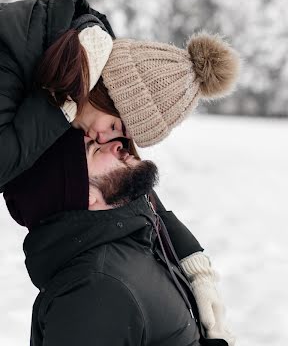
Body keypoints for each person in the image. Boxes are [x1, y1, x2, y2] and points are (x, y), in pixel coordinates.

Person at [0, 0, 240, 343]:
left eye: (121, 141)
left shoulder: (83, 68)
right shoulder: (16, 53)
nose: (106, 138)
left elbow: (119, 179)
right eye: (115, 126)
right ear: (104, 91)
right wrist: (61, 99)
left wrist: (191, 260)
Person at [4, 128, 231, 346]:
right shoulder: (96, 290)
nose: (117, 144)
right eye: (95, 150)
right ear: (86, 196)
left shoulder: (135, 240)